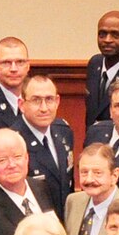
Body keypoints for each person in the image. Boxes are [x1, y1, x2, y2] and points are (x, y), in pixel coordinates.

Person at [16, 73, 75, 213]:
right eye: (36, 100)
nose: (44, 108)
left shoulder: (63, 131)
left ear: (57, 101)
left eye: (49, 99)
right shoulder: (14, 142)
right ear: (22, 104)